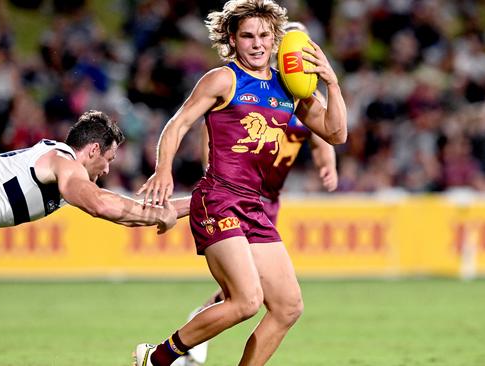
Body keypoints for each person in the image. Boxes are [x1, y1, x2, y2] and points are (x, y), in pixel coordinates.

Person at [134, 0, 347, 365]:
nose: (257, 43)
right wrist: (163, 169)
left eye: (264, 35)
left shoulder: (290, 89)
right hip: (217, 199)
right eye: (247, 35)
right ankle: (156, 359)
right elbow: (178, 123)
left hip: (254, 205)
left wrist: (332, 82)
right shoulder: (224, 79)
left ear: (276, 39)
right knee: (246, 302)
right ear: (232, 39)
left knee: (288, 307)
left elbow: (336, 132)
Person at [0, 110, 188, 305]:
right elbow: (101, 204)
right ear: (92, 151)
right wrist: (157, 215)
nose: (107, 169)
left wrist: (196, 203)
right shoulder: (63, 163)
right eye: (109, 159)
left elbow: (124, 211)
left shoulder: (59, 163)